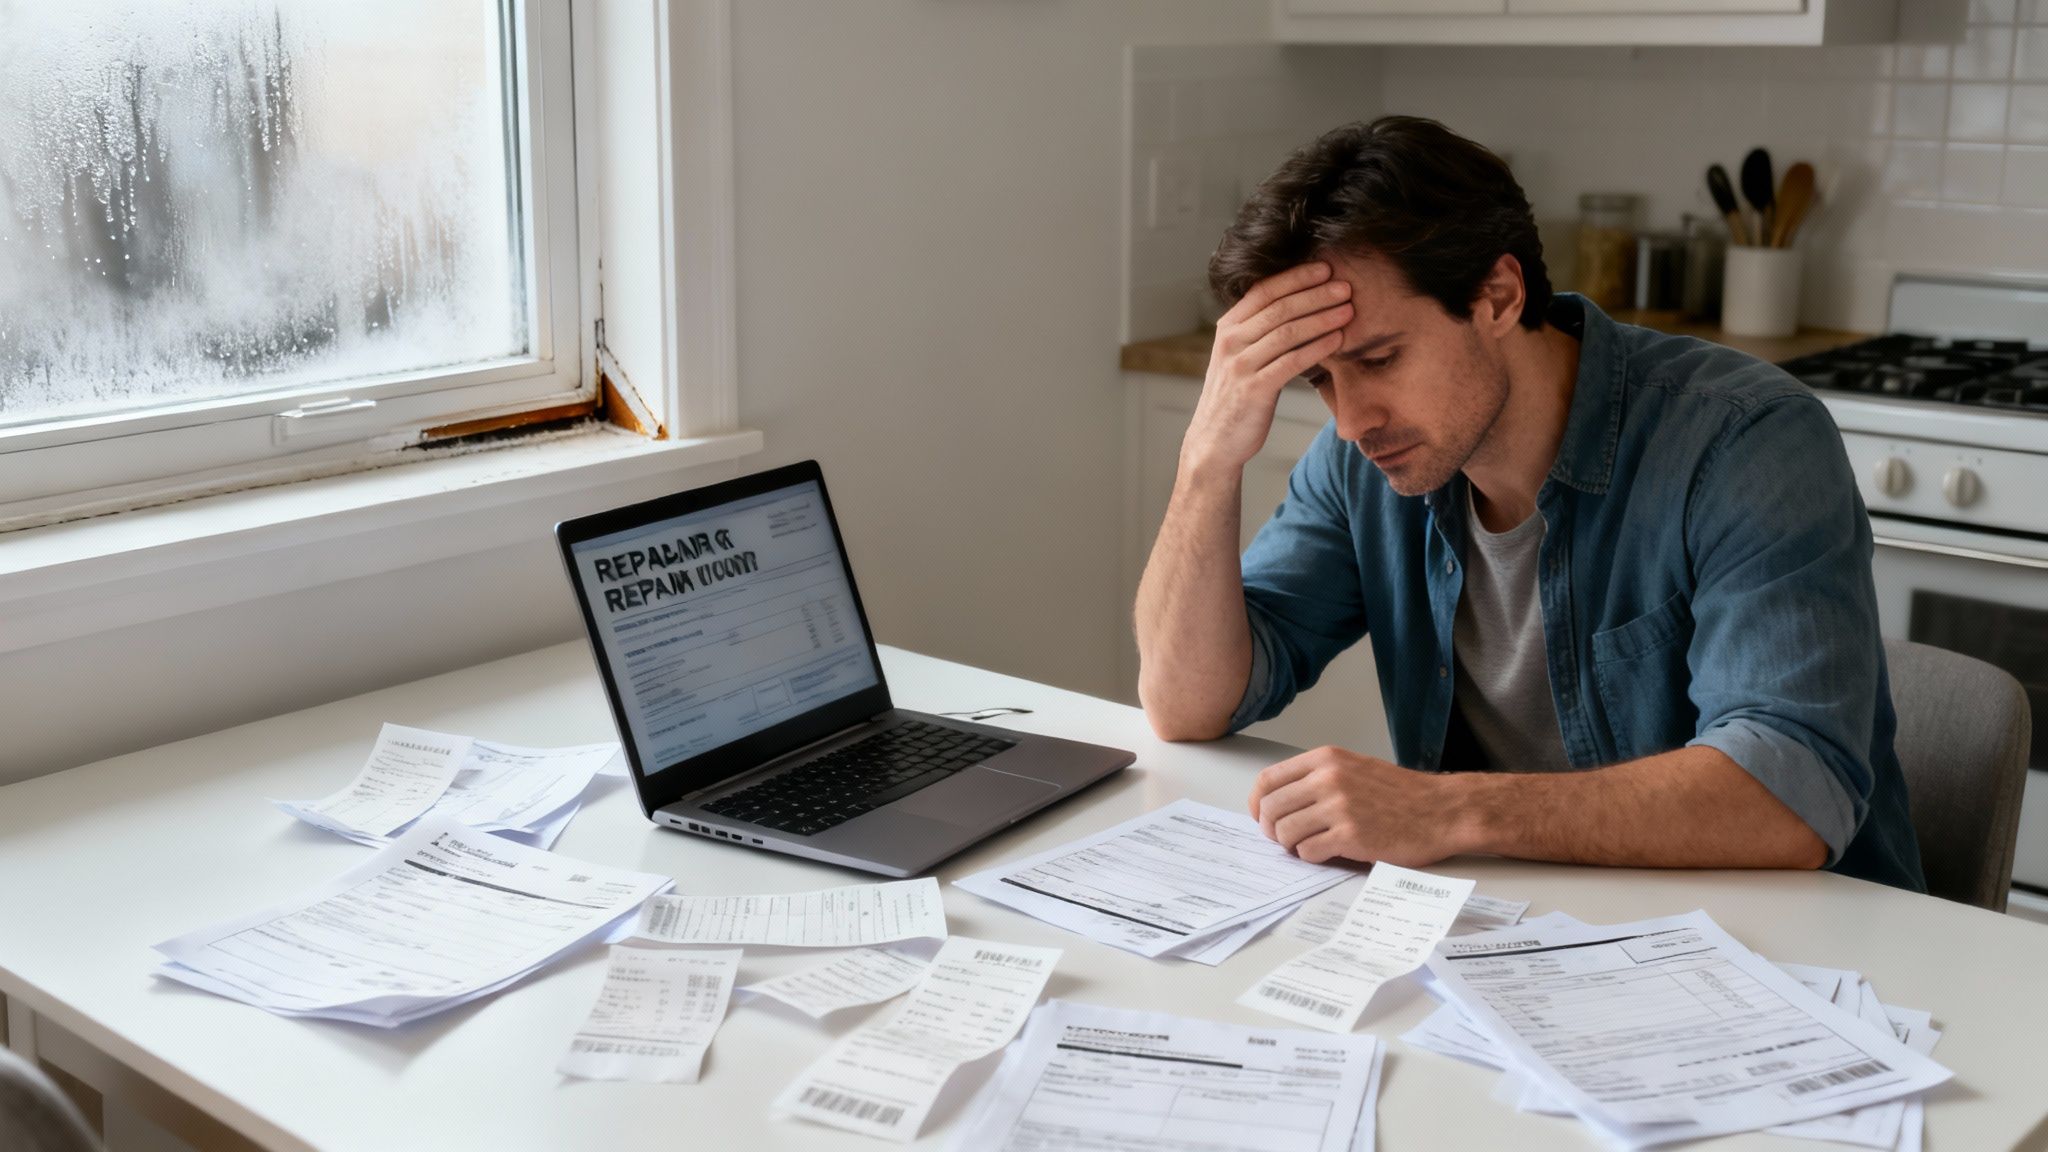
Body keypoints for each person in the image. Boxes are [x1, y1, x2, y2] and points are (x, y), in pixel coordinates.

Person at [1132, 116, 1923, 891]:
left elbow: (1791, 794)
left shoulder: (1745, 442)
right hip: (1526, 934)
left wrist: (1448, 810)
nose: (1350, 420)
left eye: (1379, 358)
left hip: (1792, 961)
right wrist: (1207, 463)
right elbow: (1188, 703)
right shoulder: (1362, 461)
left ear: (1500, 295)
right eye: (1321, 379)